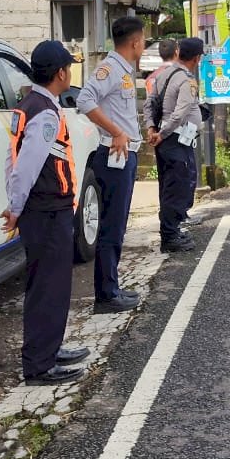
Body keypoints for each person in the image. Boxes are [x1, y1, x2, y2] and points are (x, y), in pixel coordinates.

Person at [1, 40, 90, 385]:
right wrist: (15, 207)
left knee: (51, 285)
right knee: (48, 288)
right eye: (69, 67)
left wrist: (14, 203)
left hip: (44, 210)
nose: (70, 72)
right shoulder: (46, 114)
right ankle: (39, 364)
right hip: (46, 210)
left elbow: (12, 160)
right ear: (60, 73)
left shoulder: (30, 105)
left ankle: (49, 348)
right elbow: (26, 166)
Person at [77, 16, 146, 312]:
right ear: (135, 42)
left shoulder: (123, 69)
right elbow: (85, 99)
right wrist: (117, 132)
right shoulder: (110, 68)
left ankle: (112, 287)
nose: (144, 45)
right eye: (143, 40)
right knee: (112, 228)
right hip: (113, 157)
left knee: (117, 227)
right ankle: (105, 296)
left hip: (124, 156)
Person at [144, 36, 205, 253]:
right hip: (176, 140)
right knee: (177, 187)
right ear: (197, 58)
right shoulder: (187, 81)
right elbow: (179, 113)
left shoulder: (164, 74)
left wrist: (152, 128)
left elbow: (150, 102)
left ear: (178, 53)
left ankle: (172, 230)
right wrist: (161, 133)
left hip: (166, 139)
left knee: (169, 186)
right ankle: (169, 236)